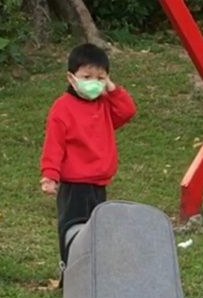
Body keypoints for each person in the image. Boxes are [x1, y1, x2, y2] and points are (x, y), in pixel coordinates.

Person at [40, 43, 137, 265]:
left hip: (98, 182)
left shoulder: (104, 105)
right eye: (86, 76)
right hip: (74, 184)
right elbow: (54, 144)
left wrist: (112, 89)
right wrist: (50, 174)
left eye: (100, 78)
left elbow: (127, 111)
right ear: (71, 78)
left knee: (97, 230)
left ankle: (93, 272)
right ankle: (70, 271)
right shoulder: (62, 108)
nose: (93, 82)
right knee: (72, 229)